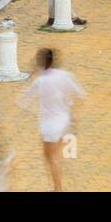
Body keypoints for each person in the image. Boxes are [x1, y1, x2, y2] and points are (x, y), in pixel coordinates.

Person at [20, 48, 86, 192]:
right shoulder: (65, 75)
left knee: (51, 157)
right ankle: (63, 184)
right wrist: (74, 115)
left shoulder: (40, 81)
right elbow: (80, 95)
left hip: (50, 126)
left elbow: (22, 101)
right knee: (57, 155)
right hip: (65, 120)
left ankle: (58, 188)